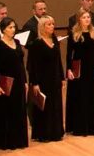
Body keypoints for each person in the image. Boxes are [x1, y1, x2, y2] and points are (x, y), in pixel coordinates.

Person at [0, 18, 29, 153]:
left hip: (18, 81)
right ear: (4, 29)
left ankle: (19, 139)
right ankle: (7, 140)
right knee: (7, 110)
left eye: (14, 27)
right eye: (10, 27)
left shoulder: (17, 42)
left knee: (19, 109)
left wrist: (24, 81)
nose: (13, 29)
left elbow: (20, 64)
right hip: (5, 82)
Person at [26, 14, 66, 142]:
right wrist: (35, 82)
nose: (52, 26)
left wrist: (62, 76)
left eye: (53, 24)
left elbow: (58, 60)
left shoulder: (54, 40)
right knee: (44, 105)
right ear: (42, 27)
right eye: (49, 24)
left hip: (54, 78)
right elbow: (32, 65)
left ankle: (56, 131)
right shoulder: (36, 43)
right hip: (42, 79)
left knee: (56, 104)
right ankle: (44, 133)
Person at [65, 11, 94, 137]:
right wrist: (69, 69)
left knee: (92, 95)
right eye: (84, 17)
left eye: (88, 17)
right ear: (79, 19)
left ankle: (92, 127)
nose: (87, 19)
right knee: (80, 96)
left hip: (92, 69)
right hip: (79, 69)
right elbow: (69, 53)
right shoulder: (74, 33)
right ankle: (80, 127)